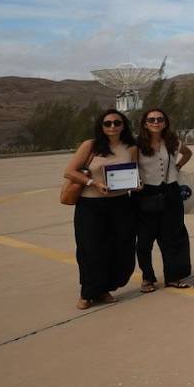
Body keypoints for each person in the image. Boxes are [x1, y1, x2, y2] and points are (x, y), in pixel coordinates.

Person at [63, 109, 139, 308]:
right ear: (101, 126)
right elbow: (69, 172)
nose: (112, 126)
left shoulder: (131, 147)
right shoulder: (91, 145)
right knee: (91, 250)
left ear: (124, 125)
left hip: (121, 204)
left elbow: (133, 173)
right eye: (108, 123)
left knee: (121, 249)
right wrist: (93, 183)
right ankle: (87, 293)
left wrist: (135, 183)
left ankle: (105, 289)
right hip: (91, 206)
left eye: (117, 123)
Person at [134, 108, 192, 290]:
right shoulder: (137, 144)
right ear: (145, 123)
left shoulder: (173, 141)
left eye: (160, 119)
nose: (156, 122)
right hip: (146, 193)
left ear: (165, 122)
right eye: (151, 120)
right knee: (144, 239)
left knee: (173, 236)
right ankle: (147, 277)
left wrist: (177, 166)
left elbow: (188, 153)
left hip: (170, 192)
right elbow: (130, 166)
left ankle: (173, 276)